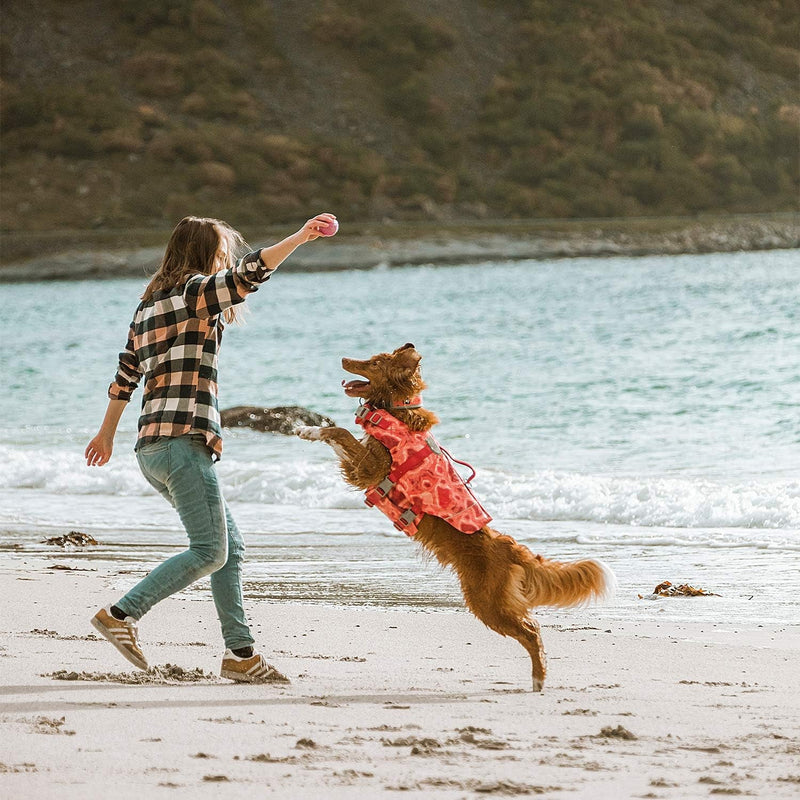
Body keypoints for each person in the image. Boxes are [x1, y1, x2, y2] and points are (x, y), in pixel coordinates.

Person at [85, 212, 336, 683]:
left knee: (229, 548)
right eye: (222, 250)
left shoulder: (148, 305)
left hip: (150, 449)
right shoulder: (196, 293)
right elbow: (252, 273)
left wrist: (105, 435)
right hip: (182, 444)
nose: (228, 257)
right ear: (207, 254)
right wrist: (302, 236)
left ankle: (240, 655)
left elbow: (125, 377)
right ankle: (121, 615)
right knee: (209, 551)